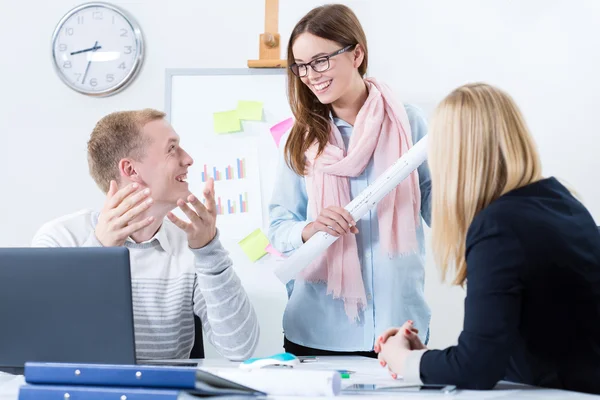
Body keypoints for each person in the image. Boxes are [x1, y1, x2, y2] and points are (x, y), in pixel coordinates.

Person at [375, 83, 600, 395]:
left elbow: (478, 367)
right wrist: (424, 359)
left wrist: (400, 359)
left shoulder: (498, 227)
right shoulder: (562, 202)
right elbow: (500, 351)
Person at [32, 109, 259, 362]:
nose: (188, 159)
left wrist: (209, 251)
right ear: (131, 169)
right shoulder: (59, 239)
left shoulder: (192, 244)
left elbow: (240, 349)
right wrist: (98, 252)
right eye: (172, 148)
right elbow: (44, 344)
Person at [268, 3, 430, 356]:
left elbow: (443, 209)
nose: (311, 75)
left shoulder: (410, 123)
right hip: (316, 326)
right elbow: (279, 224)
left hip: (397, 323)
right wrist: (309, 229)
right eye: (301, 67)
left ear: (356, 53)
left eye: (320, 60)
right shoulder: (300, 138)